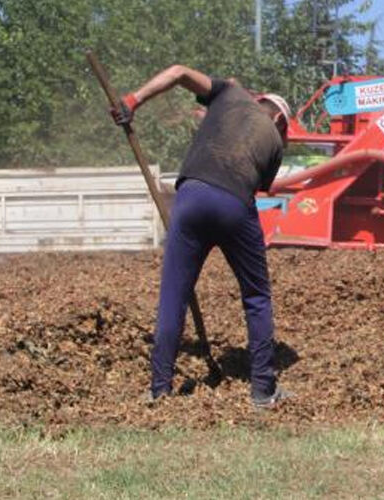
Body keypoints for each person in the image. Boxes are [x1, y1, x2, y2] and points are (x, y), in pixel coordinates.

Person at [111, 65, 293, 408]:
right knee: (256, 296)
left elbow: (178, 72)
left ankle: (159, 389)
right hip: (234, 204)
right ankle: (263, 390)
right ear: (280, 121)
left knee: (173, 296)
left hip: (191, 197)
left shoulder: (229, 93)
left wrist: (132, 101)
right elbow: (253, 186)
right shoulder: (274, 141)